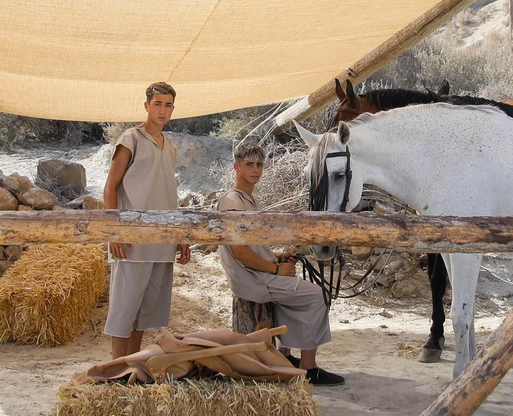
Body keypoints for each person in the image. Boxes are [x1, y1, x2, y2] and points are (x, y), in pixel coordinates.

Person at [216, 142, 344, 386]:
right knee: (317, 296)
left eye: (259, 165)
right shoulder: (233, 201)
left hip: (259, 273)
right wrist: (276, 269)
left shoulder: (248, 200)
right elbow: (239, 252)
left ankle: (286, 358)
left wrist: (275, 256)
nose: (255, 170)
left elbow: (251, 247)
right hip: (251, 280)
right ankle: (309, 369)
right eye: (249, 165)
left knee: (295, 290)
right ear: (237, 167)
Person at [102, 81, 191, 358]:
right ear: (146, 106)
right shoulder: (131, 139)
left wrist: (180, 237)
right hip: (132, 240)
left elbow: (168, 194)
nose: (163, 110)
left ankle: (133, 366)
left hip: (162, 241)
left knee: (144, 311)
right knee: (124, 310)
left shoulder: (170, 145)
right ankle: (116, 370)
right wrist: (114, 231)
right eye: (157, 104)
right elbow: (110, 186)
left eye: (168, 105)